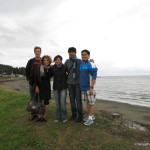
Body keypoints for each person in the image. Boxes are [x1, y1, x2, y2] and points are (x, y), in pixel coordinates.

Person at [79, 49, 98, 125]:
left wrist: (92, 88)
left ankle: (90, 119)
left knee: (91, 103)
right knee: (87, 102)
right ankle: (91, 116)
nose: (83, 56)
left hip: (89, 87)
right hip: (82, 87)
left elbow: (94, 77)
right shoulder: (81, 64)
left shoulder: (91, 64)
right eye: (82, 55)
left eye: (85, 54)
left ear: (88, 55)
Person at [65, 47, 83, 122]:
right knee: (72, 100)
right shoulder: (67, 61)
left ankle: (80, 116)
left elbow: (85, 67)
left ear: (75, 53)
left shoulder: (80, 61)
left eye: (73, 52)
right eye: (70, 52)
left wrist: (91, 62)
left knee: (78, 100)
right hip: (70, 83)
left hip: (78, 84)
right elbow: (64, 70)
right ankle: (73, 114)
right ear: (68, 53)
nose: (71, 53)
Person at [35, 55, 53, 122]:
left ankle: (45, 115)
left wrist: (48, 70)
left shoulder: (51, 69)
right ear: (42, 61)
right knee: (39, 101)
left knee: (46, 101)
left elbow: (49, 76)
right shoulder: (39, 67)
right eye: (45, 60)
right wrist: (36, 86)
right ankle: (39, 115)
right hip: (40, 86)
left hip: (47, 87)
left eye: (47, 60)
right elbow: (36, 78)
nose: (46, 61)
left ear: (49, 61)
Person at [26, 46, 42, 121]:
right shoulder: (30, 61)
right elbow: (27, 70)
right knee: (32, 98)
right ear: (34, 52)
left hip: (41, 83)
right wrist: (29, 79)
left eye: (39, 51)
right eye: (36, 51)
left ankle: (39, 113)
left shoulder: (42, 60)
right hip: (32, 83)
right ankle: (33, 114)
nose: (37, 52)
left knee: (40, 98)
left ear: (40, 52)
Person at [52, 55, 68, 123]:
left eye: (59, 59)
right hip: (55, 87)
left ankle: (64, 116)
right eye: (56, 59)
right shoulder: (53, 68)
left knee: (62, 102)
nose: (57, 60)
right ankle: (58, 116)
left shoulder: (65, 67)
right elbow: (48, 73)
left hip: (63, 87)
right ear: (54, 61)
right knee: (57, 103)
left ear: (61, 60)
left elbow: (72, 70)